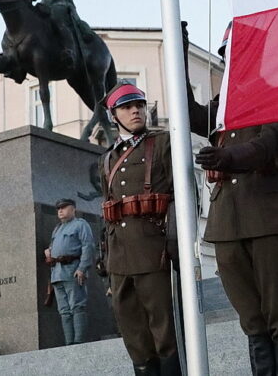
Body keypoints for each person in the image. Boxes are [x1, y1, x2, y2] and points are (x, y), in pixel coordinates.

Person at [184, 21, 278, 375]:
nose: (233, 63)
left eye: (241, 54)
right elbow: (192, 116)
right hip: (227, 225)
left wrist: (229, 158)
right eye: (228, 56)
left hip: (271, 216)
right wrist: (178, 58)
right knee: (252, 323)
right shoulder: (224, 106)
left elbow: (269, 144)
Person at [99, 82, 180, 375]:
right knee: (132, 332)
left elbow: (184, 195)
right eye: (127, 107)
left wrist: (176, 241)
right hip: (119, 258)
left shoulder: (162, 144)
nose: (135, 111)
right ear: (114, 115)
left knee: (164, 332)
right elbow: (108, 209)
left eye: (140, 106)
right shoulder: (108, 158)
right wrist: (104, 257)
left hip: (153, 251)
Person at [45, 198, 96, 345]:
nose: (60, 210)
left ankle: (79, 342)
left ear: (73, 209)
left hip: (73, 270)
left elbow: (88, 247)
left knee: (77, 306)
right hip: (57, 274)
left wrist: (82, 268)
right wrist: (49, 252)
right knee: (64, 310)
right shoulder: (57, 229)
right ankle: (69, 344)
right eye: (58, 209)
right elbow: (53, 246)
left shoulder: (80, 225)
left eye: (64, 207)